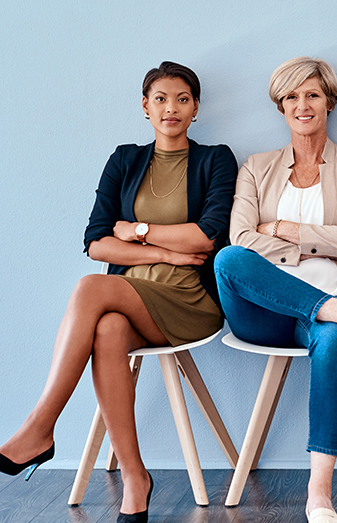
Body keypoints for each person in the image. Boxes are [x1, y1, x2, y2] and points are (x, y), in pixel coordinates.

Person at [0, 62, 237, 523]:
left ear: (196, 110)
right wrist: (165, 251)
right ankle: (135, 477)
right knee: (107, 328)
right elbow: (95, 241)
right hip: (131, 299)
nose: (171, 108)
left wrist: (137, 231)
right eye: (161, 98)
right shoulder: (125, 159)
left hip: (191, 301)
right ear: (145, 107)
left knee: (92, 289)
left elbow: (207, 237)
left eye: (183, 99)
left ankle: (40, 427)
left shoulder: (216, 159)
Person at [213, 57, 337, 523]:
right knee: (228, 261)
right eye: (291, 97)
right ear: (280, 106)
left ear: (329, 101)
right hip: (264, 313)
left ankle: (319, 496)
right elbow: (241, 240)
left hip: (336, 301)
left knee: (329, 341)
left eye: (312, 95)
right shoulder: (256, 167)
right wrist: (322, 241)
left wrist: (284, 229)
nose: (302, 105)